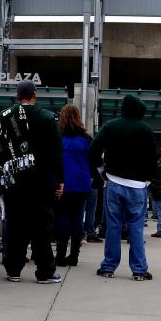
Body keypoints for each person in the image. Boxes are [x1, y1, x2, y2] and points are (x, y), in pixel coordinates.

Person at [0, 81, 64, 284]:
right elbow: (57, 152)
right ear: (34, 95)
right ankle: (44, 271)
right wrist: (60, 180)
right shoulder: (47, 118)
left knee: (14, 224)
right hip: (42, 180)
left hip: (14, 179)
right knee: (43, 226)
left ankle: (13, 268)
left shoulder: (4, 116)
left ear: (17, 96)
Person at [91, 94, 158, 281]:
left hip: (113, 182)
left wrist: (102, 170)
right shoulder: (145, 130)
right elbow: (154, 158)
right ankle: (139, 270)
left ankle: (108, 267)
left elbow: (94, 148)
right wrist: (148, 180)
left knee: (113, 225)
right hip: (137, 186)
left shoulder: (111, 126)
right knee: (136, 227)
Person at [54, 104, 91, 266]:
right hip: (82, 184)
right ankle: (74, 255)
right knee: (77, 219)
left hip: (62, 183)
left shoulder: (58, 138)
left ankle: (60, 255)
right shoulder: (86, 139)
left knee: (62, 218)